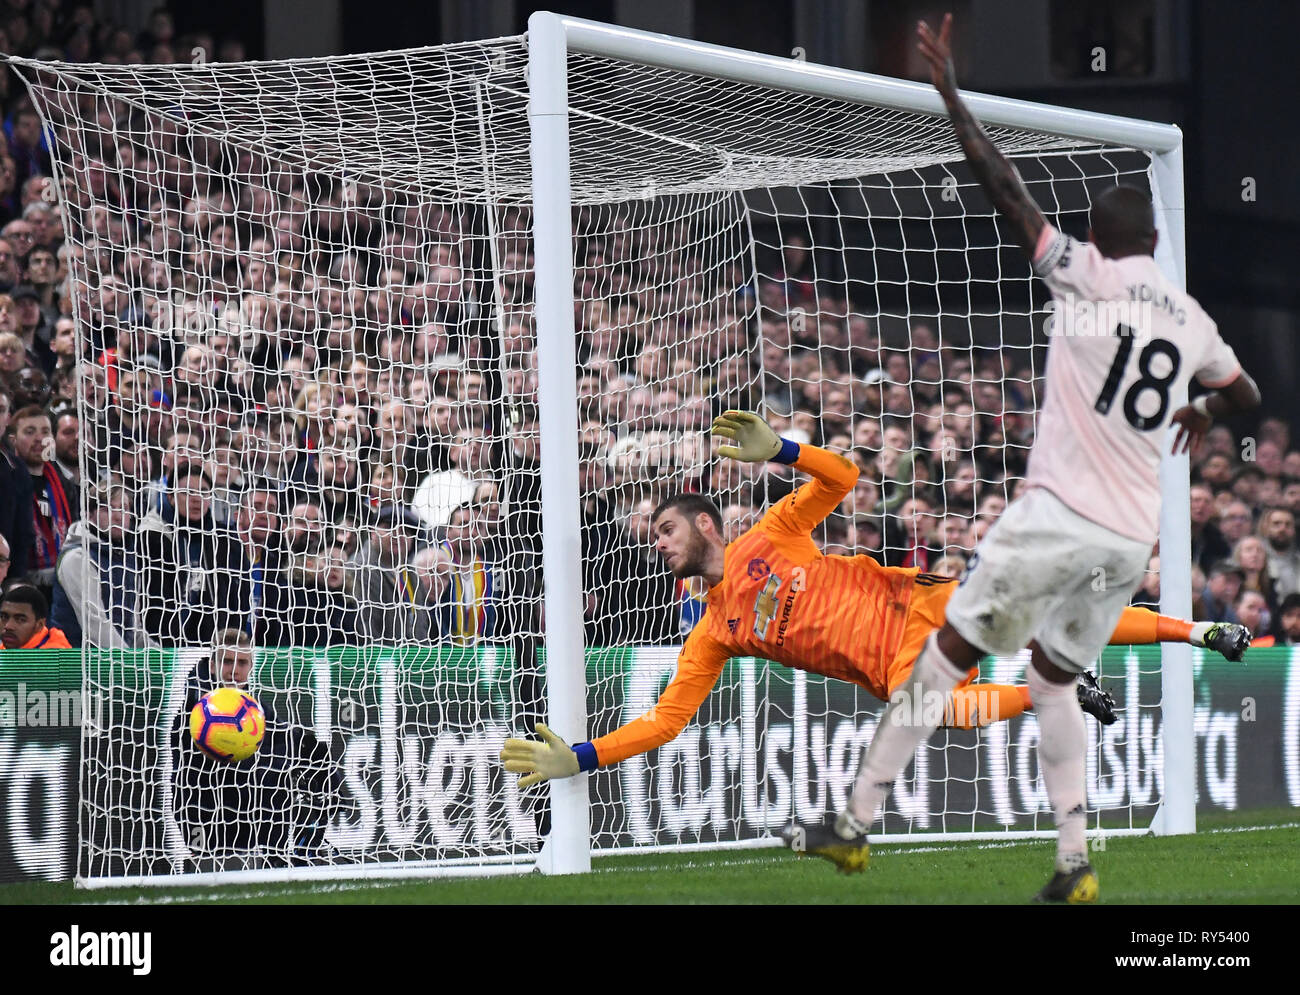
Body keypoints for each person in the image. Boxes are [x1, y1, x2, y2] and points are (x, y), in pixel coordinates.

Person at [773, 13, 1256, 903]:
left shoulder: (1082, 271)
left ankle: (853, 822)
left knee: (945, 656)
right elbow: (1248, 398)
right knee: (1051, 681)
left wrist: (951, 91)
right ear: (1153, 242)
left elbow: (1002, 187)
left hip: (1057, 514)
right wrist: (1200, 404)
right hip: (1128, 539)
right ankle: (1074, 866)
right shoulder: (1191, 319)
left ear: (1104, 242)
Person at [500, 414, 1251, 826]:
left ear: (706, 522)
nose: (657, 545)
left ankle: (1195, 632)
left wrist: (786, 450)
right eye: (652, 538)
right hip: (893, 665)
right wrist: (583, 755)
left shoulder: (771, 532)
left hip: (912, 599)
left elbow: (847, 477)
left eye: (665, 530)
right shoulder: (714, 630)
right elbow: (666, 721)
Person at [170, 628, 342, 866]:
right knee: (271, 771)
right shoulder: (196, 708)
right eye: (227, 661)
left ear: (250, 667)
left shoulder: (253, 706)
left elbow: (284, 735)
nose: (234, 670)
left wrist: (314, 755)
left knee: (308, 760)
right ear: (212, 665)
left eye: (242, 663)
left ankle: (303, 848)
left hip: (249, 812)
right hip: (206, 814)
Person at [0, 582, 72, 649]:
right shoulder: (6, 649)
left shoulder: (53, 659)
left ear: (39, 625)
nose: (8, 626)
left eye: (20, 620)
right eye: (3, 617)